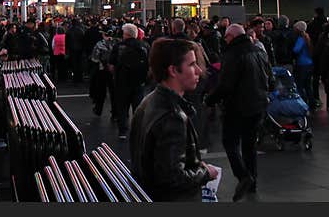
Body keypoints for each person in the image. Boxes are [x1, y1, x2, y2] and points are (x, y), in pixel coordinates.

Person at [129, 37, 219, 201]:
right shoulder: (172, 117)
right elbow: (172, 177)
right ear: (173, 70)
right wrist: (206, 173)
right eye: (191, 65)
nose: (198, 71)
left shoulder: (149, 101)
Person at [205, 23, 274, 201]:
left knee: (230, 142)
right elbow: (270, 79)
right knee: (250, 144)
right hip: (258, 105)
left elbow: (226, 84)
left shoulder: (232, 54)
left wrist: (210, 99)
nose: (225, 40)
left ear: (232, 36)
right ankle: (253, 181)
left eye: (226, 37)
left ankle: (243, 176)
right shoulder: (259, 52)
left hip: (237, 107)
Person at [109, 23, 150, 139]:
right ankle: (138, 130)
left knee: (122, 106)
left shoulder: (119, 46)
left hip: (122, 81)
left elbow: (111, 65)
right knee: (138, 107)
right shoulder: (144, 46)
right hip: (139, 81)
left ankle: (123, 130)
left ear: (126, 34)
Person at [291, 20, 315, 106]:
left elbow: (296, 50)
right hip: (309, 63)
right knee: (308, 85)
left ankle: (303, 103)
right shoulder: (307, 37)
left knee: (300, 85)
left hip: (302, 65)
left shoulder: (301, 39)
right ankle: (312, 103)